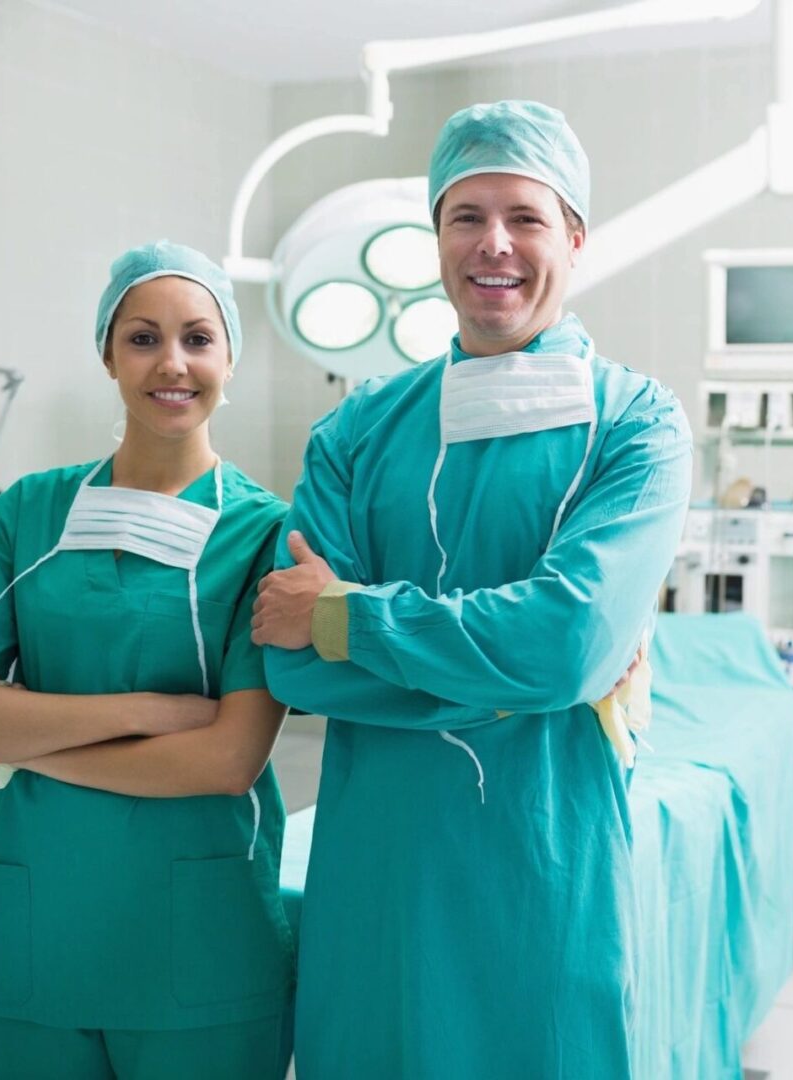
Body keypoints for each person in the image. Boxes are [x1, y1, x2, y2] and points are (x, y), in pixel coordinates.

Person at [250, 100, 693, 1079]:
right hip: (380, 879)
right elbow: (290, 667)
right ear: (436, 239)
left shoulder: (636, 426)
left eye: (526, 218)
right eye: (467, 216)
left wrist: (345, 617)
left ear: (574, 239)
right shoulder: (357, 431)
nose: (495, 244)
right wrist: (520, 666)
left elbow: (567, 647)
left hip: (542, 871)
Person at [0, 241, 295, 1080]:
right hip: (37, 927)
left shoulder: (266, 533)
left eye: (198, 338)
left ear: (230, 357)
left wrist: (21, 736)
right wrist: (142, 713)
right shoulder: (29, 512)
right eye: (143, 338)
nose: (173, 364)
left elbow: (228, 758)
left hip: (202, 938)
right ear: (108, 355)